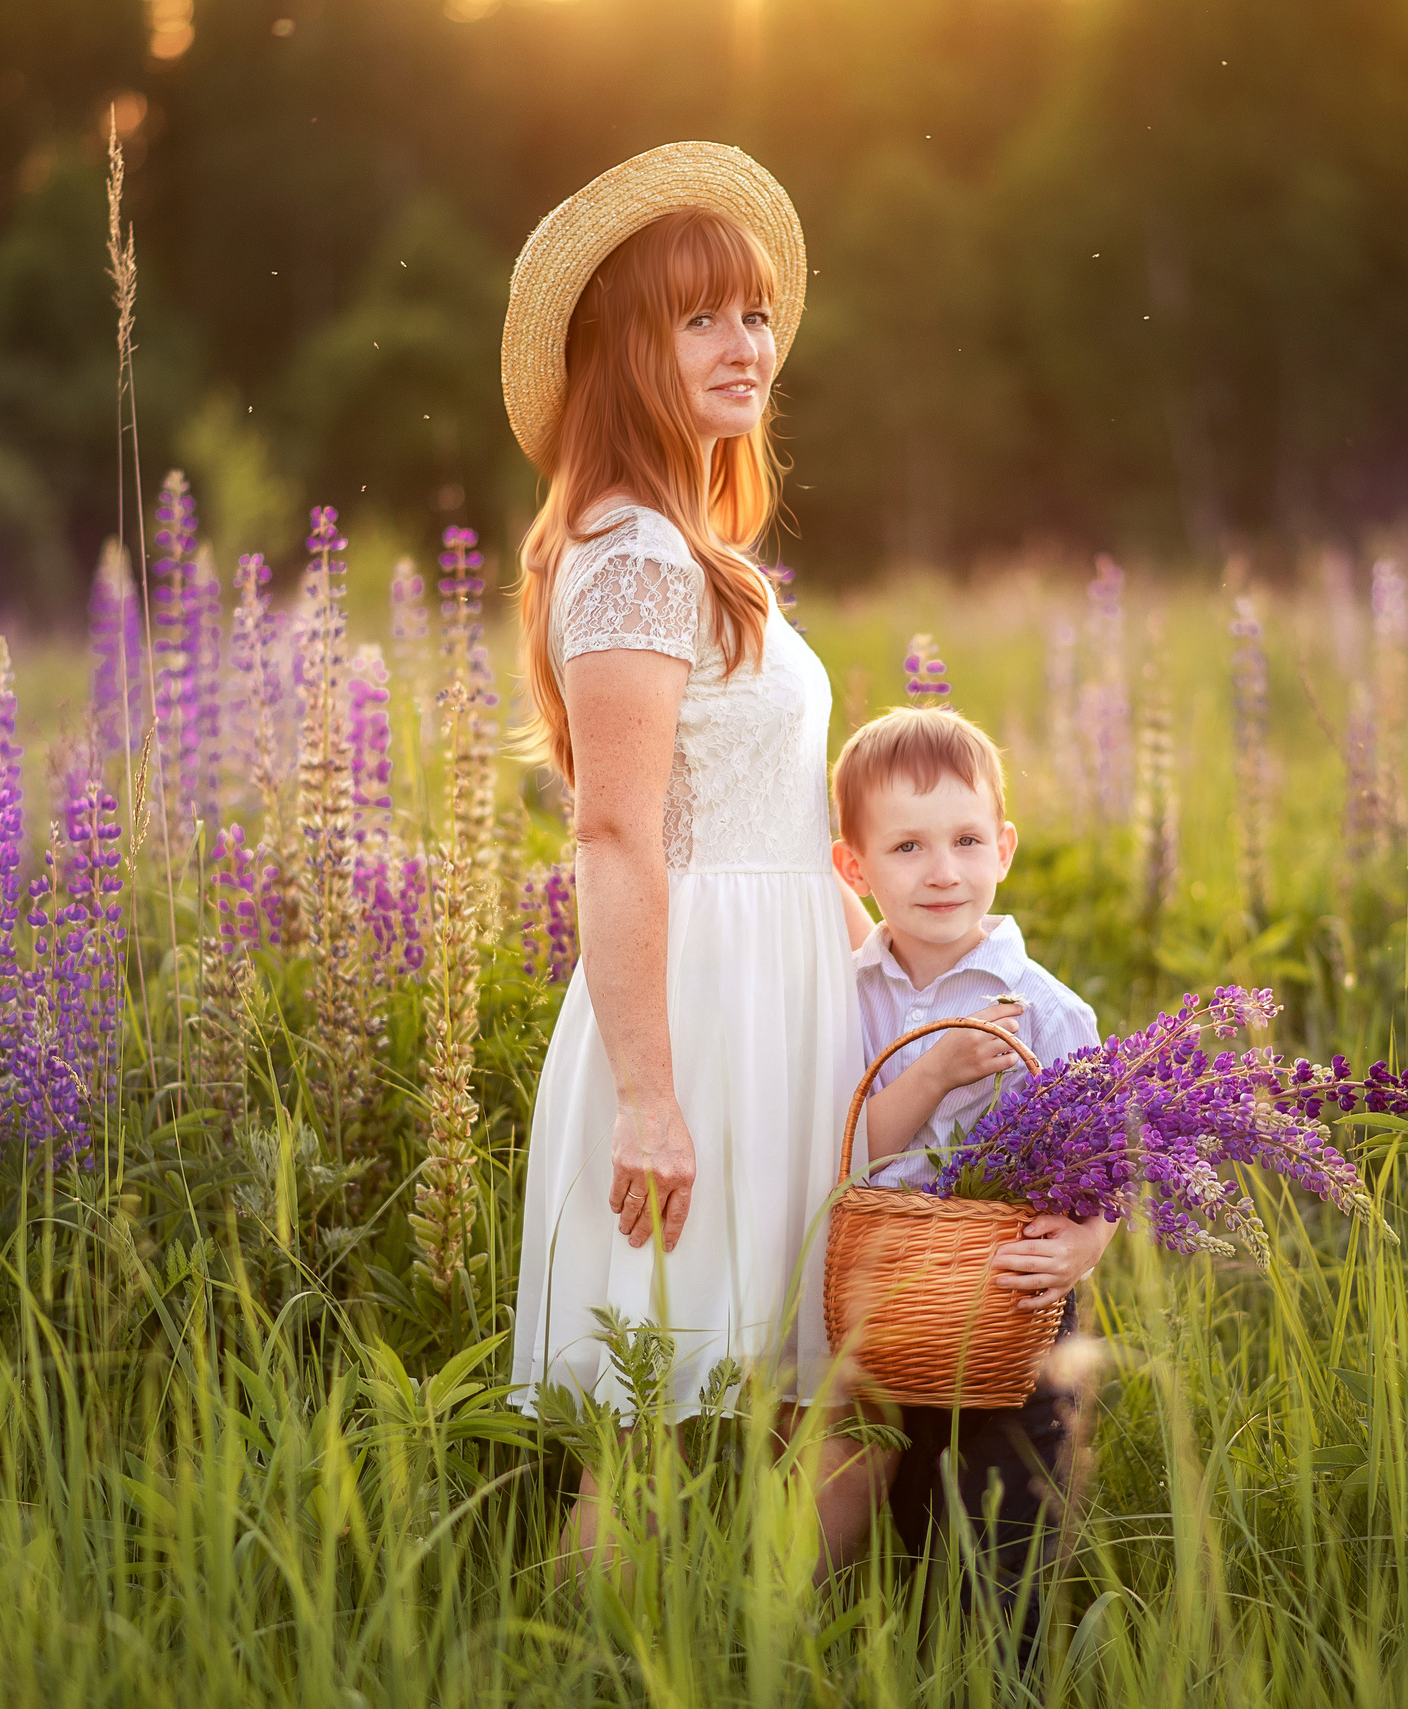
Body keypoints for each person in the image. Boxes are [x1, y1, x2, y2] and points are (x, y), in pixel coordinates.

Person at [500, 143, 868, 1560]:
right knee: (658, 1422)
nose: (745, 345)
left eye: (757, 312)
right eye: (699, 317)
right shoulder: (638, 555)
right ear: (623, 352)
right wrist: (650, 1097)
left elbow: (779, 816)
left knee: (794, 1402)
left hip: (783, 1007)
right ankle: (587, 1675)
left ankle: (768, 1657)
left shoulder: (690, 548)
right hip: (701, 1020)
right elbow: (613, 830)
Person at [819, 704, 1117, 1599]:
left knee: (1005, 1522)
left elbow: (1105, 1159)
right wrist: (938, 1071)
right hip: (892, 1307)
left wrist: (1085, 1244)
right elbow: (849, 1152)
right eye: (906, 848)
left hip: (1011, 1312)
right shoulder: (848, 997)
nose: (943, 871)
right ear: (854, 866)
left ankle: (1003, 1666)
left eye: (965, 839)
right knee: (909, 1515)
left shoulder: (1047, 1008)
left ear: (1005, 848)